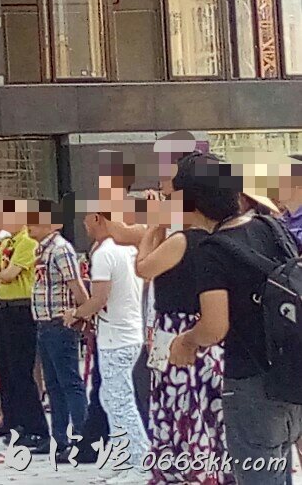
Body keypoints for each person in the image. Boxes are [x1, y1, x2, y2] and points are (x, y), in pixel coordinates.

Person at [170, 153, 302, 485]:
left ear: (190, 202)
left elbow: (215, 327)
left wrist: (186, 342)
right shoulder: (271, 226)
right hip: (292, 374)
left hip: (251, 385)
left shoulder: (212, 251)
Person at [133, 203, 230, 485]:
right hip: (204, 330)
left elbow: (143, 267)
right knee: (205, 405)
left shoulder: (181, 241)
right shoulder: (215, 241)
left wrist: (153, 228)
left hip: (175, 330)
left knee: (176, 403)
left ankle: (183, 467)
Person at [67, 204, 150, 481]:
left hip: (117, 337)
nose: (84, 224)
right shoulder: (128, 250)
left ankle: (140, 462)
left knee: (120, 402)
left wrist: (75, 314)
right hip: (126, 333)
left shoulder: (105, 253)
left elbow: (99, 298)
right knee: (111, 398)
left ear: (98, 218)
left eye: (86, 218)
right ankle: (123, 458)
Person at [0, 200, 49, 450]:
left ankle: (34, 426)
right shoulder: (5, 242)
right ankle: (11, 420)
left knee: (21, 371)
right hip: (2, 307)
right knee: (5, 370)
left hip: (21, 308)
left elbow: (9, 274)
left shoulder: (27, 241)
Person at [30, 213, 90, 463]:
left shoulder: (60, 249)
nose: (29, 225)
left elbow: (76, 284)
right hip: (44, 323)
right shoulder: (40, 250)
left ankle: (82, 439)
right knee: (54, 385)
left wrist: (84, 313)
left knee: (70, 383)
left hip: (60, 323)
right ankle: (59, 438)